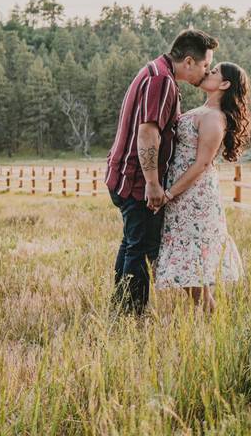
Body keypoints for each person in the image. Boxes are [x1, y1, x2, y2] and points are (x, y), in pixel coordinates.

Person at [105, 29, 218, 316]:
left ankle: (121, 310)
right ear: (189, 61)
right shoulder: (162, 81)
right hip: (137, 180)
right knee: (142, 249)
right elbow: (147, 133)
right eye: (206, 66)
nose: (206, 73)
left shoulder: (156, 72)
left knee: (133, 243)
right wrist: (153, 183)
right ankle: (132, 315)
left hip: (125, 175)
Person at [154, 63, 251, 313]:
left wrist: (170, 193)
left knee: (194, 260)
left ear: (224, 84)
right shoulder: (201, 110)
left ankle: (209, 317)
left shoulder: (214, 118)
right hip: (181, 191)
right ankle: (208, 316)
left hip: (193, 194)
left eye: (215, 71)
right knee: (190, 261)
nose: (208, 71)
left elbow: (202, 163)